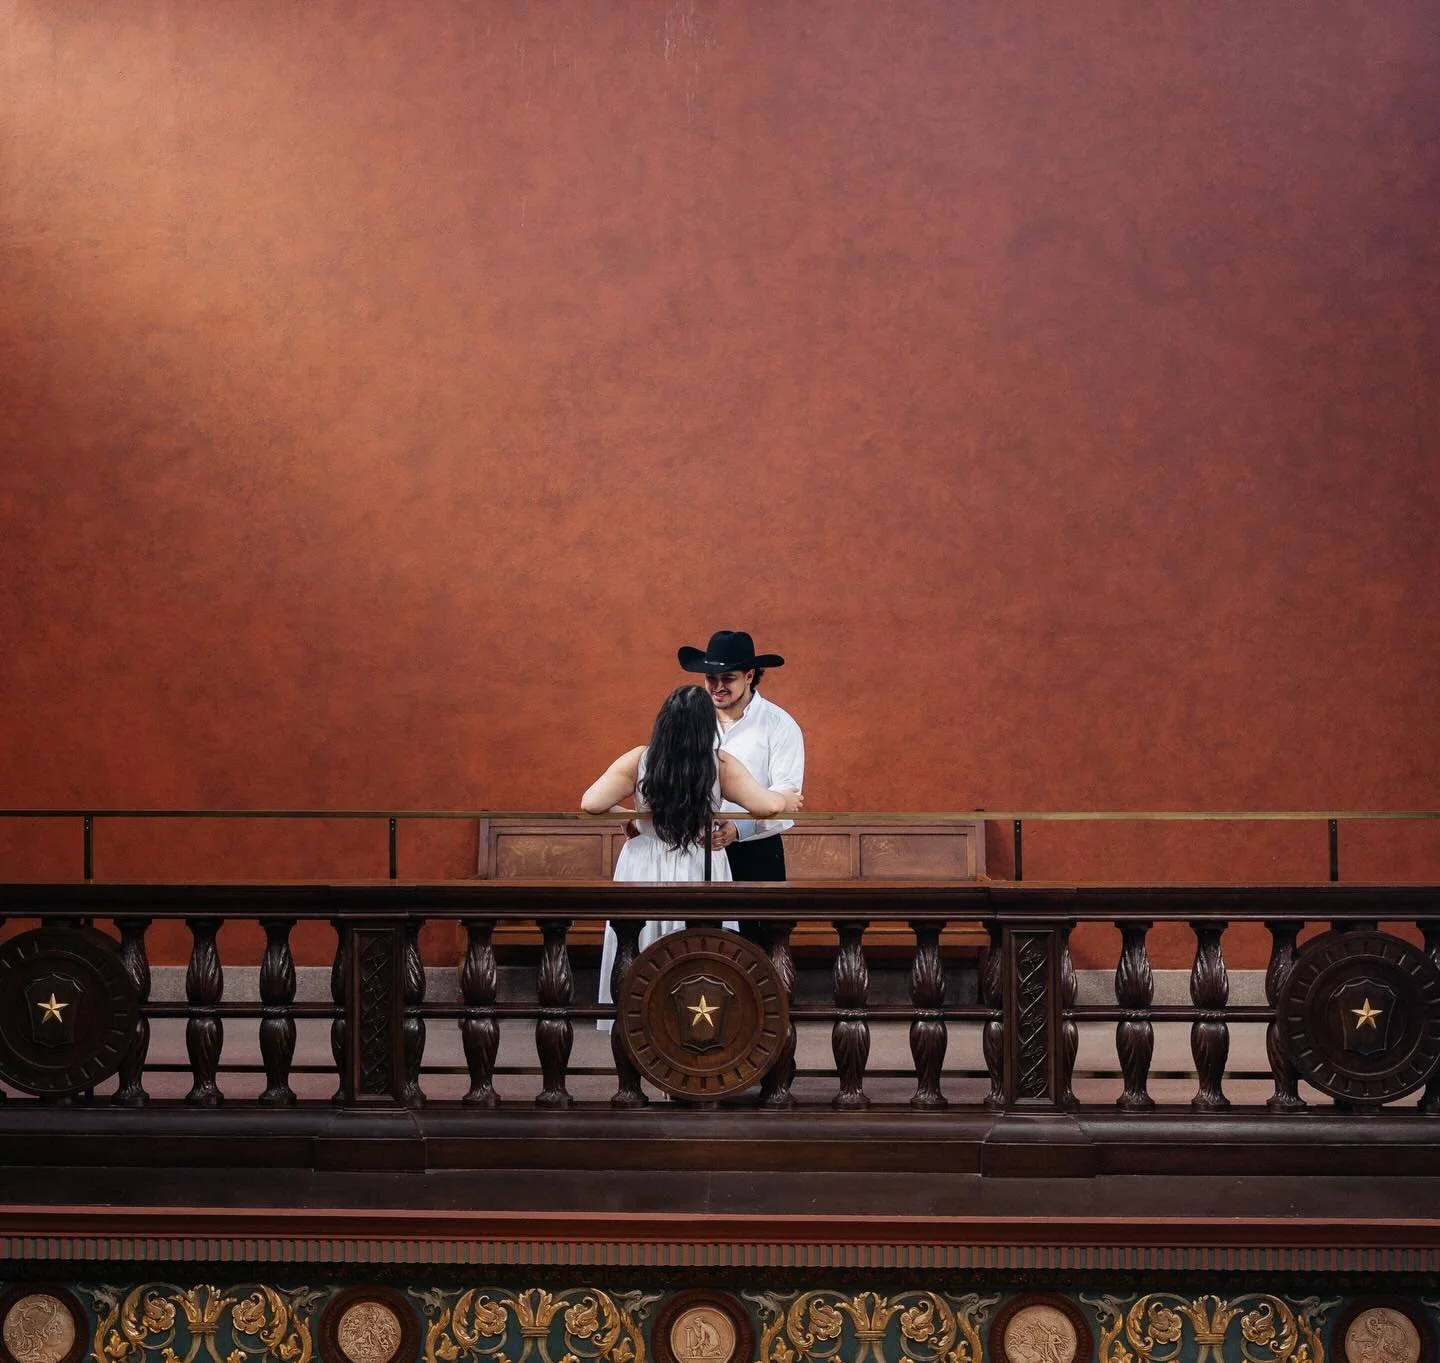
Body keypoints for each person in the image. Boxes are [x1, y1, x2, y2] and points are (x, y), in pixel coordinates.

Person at [581, 683, 802, 1026]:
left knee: (638, 944)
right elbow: (767, 805)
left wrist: (632, 818)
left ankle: (640, 1024)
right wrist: (786, 799)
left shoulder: (639, 759)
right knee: (699, 949)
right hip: (698, 861)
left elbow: (591, 803)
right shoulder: (718, 764)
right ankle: (696, 1026)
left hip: (644, 863)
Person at [677, 630, 804, 905]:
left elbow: (787, 796)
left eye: (728, 678)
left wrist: (738, 828)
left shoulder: (780, 725)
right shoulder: (689, 723)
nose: (717, 686)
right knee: (699, 941)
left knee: (757, 942)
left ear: (749, 675)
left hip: (755, 854)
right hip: (694, 853)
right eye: (711, 678)